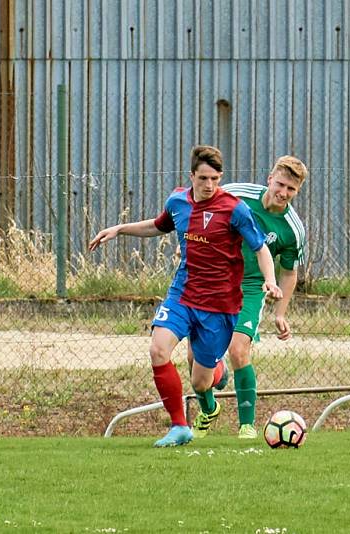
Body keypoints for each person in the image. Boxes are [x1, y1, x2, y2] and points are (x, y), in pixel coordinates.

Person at [89, 145, 282, 447]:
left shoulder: (234, 209)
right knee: (157, 350)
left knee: (200, 381)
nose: (209, 185)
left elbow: (260, 248)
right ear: (191, 175)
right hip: (183, 294)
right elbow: (157, 226)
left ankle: (217, 374)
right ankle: (180, 425)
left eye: (215, 179)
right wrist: (119, 229)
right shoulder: (178, 201)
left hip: (219, 306)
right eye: (203, 178)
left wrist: (270, 280)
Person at [187, 155, 308, 439]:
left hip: (250, 288)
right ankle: (208, 410)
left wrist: (280, 312)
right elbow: (206, 211)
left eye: (291, 190)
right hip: (212, 281)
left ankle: (247, 426)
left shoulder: (293, 229)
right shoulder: (236, 194)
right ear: (269, 179)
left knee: (239, 350)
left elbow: (289, 273)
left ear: (297, 192)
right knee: (194, 357)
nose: (283, 193)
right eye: (280, 184)